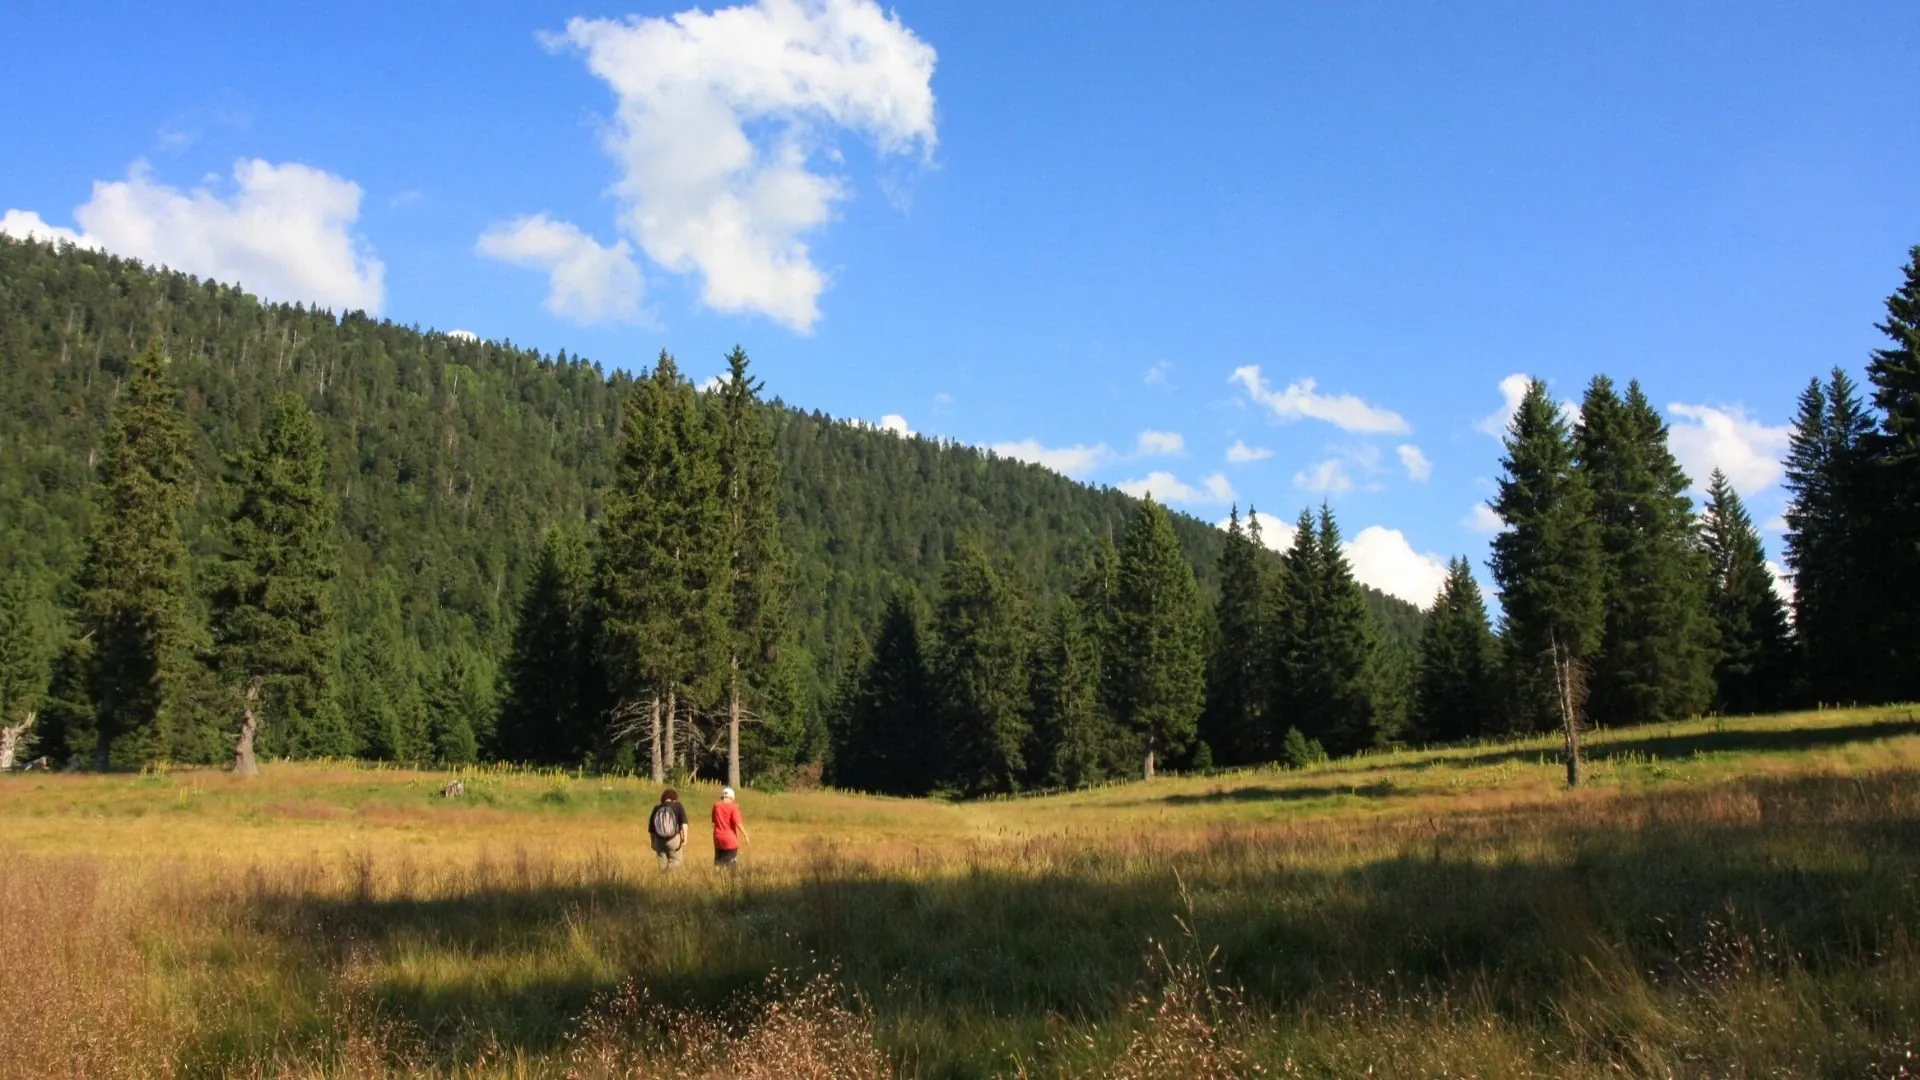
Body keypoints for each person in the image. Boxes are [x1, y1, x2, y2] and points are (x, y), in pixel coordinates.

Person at [649, 788, 689, 869]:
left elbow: (651, 830)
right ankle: (669, 877)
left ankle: (661, 880)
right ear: (674, 798)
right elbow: (684, 824)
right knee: (675, 860)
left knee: (662, 863)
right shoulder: (678, 805)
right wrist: (685, 838)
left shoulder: (656, 808)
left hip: (659, 841)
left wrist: (653, 843)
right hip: (673, 840)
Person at [711, 786, 749, 869]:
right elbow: (738, 823)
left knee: (718, 862)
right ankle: (731, 880)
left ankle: (716, 879)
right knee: (731, 864)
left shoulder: (716, 806)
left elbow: (714, 821)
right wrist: (745, 835)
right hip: (730, 839)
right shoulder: (734, 807)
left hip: (717, 838)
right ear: (732, 797)